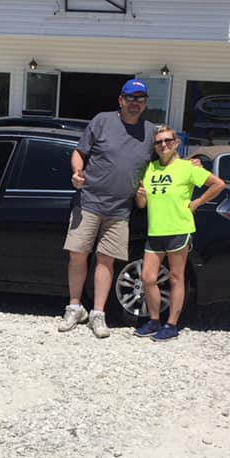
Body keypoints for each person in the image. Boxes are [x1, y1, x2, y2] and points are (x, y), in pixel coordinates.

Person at [58, 79, 156, 339]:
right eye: (130, 98)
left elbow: (166, 158)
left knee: (106, 260)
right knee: (78, 255)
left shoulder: (150, 132)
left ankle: (98, 314)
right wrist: (77, 172)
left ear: (145, 103)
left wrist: (193, 164)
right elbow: (79, 152)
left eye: (140, 99)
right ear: (121, 100)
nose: (135, 103)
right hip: (89, 202)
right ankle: (75, 307)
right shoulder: (102, 120)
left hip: (120, 210)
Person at [134, 125, 225, 342]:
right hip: (155, 230)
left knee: (176, 278)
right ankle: (154, 320)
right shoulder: (150, 169)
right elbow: (142, 204)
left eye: (168, 140)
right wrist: (140, 196)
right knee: (147, 278)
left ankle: (172, 324)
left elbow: (218, 184)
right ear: (154, 146)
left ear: (176, 143)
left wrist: (197, 202)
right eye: (159, 142)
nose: (163, 144)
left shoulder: (187, 167)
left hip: (179, 229)